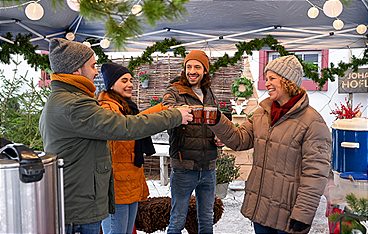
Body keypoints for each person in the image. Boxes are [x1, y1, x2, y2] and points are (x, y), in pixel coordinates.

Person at [39, 38, 192, 234]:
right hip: (80, 205)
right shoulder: (75, 105)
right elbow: (125, 127)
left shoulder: (66, 99)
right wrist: (175, 115)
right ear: (76, 69)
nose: (96, 72)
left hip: (81, 197)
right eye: (93, 66)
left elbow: (132, 121)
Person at [209, 55, 331, 233]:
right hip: (262, 210)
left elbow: (316, 172)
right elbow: (239, 139)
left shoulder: (312, 122)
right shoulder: (262, 113)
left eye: (272, 78)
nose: (267, 83)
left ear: (288, 81)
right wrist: (218, 119)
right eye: (266, 79)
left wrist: (303, 214)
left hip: (288, 215)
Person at [98, 62, 166, 234]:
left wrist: (163, 108)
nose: (129, 84)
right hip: (117, 184)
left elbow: (137, 123)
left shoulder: (126, 106)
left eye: (130, 80)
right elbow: (130, 128)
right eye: (124, 80)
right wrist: (163, 111)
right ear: (111, 84)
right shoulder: (107, 108)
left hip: (130, 178)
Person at [163, 50, 219, 234]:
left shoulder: (208, 92)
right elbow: (165, 111)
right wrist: (181, 110)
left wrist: (219, 137)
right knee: (178, 218)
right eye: (188, 66)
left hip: (209, 165)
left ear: (205, 71)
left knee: (206, 218)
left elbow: (216, 121)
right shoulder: (174, 91)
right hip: (184, 166)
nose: (192, 71)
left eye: (197, 66)